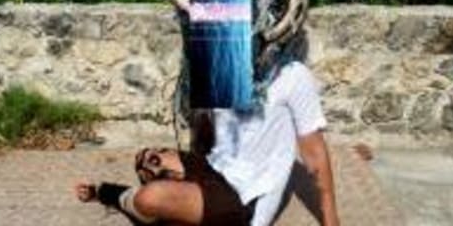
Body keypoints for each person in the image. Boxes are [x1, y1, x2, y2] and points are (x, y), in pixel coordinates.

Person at [74, 60, 340, 226]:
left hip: (246, 196)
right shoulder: (220, 62)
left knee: (149, 197)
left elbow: (314, 154)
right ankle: (180, 206)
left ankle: (113, 195)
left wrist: (331, 222)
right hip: (216, 166)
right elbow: (210, 132)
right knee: (146, 159)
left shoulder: (292, 74)